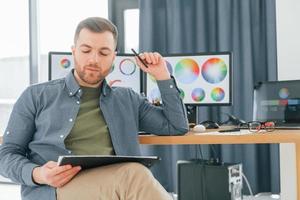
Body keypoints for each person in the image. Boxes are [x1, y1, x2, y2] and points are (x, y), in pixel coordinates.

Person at [0, 17, 188, 200]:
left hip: (117, 185)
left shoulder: (128, 99)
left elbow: (176, 127)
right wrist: (39, 173)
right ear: (74, 51)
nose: (94, 59)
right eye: (86, 50)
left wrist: (162, 75)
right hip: (55, 190)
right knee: (135, 175)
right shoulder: (36, 95)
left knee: (134, 177)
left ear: (114, 56)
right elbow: (7, 154)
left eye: (104, 53)